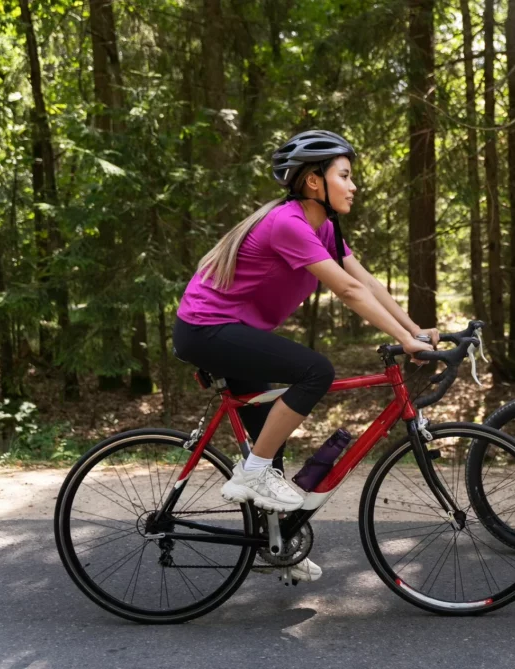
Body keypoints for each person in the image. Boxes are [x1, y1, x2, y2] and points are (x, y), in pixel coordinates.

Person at [172, 130, 434, 581]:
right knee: (315, 370)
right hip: (206, 329)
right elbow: (349, 291)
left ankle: (276, 546)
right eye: (345, 175)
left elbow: (365, 280)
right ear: (315, 182)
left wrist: (414, 330)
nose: (353, 186)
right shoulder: (288, 224)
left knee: (269, 440)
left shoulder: (324, 226)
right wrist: (406, 341)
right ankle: (251, 473)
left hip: (230, 331)